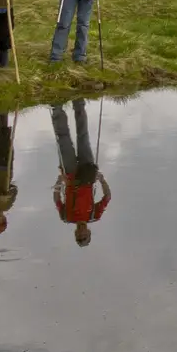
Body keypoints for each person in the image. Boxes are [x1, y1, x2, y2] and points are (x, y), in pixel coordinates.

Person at [51, 98, 110, 246]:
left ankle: (57, 106)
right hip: (88, 173)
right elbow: (107, 197)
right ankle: (78, 102)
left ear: (75, 234)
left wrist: (59, 181)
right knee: (83, 136)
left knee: (63, 139)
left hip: (69, 175)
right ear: (89, 233)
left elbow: (57, 199)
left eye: (79, 237)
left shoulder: (66, 217)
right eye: (84, 236)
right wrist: (101, 179)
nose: (81, 234)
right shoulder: (94, 215)